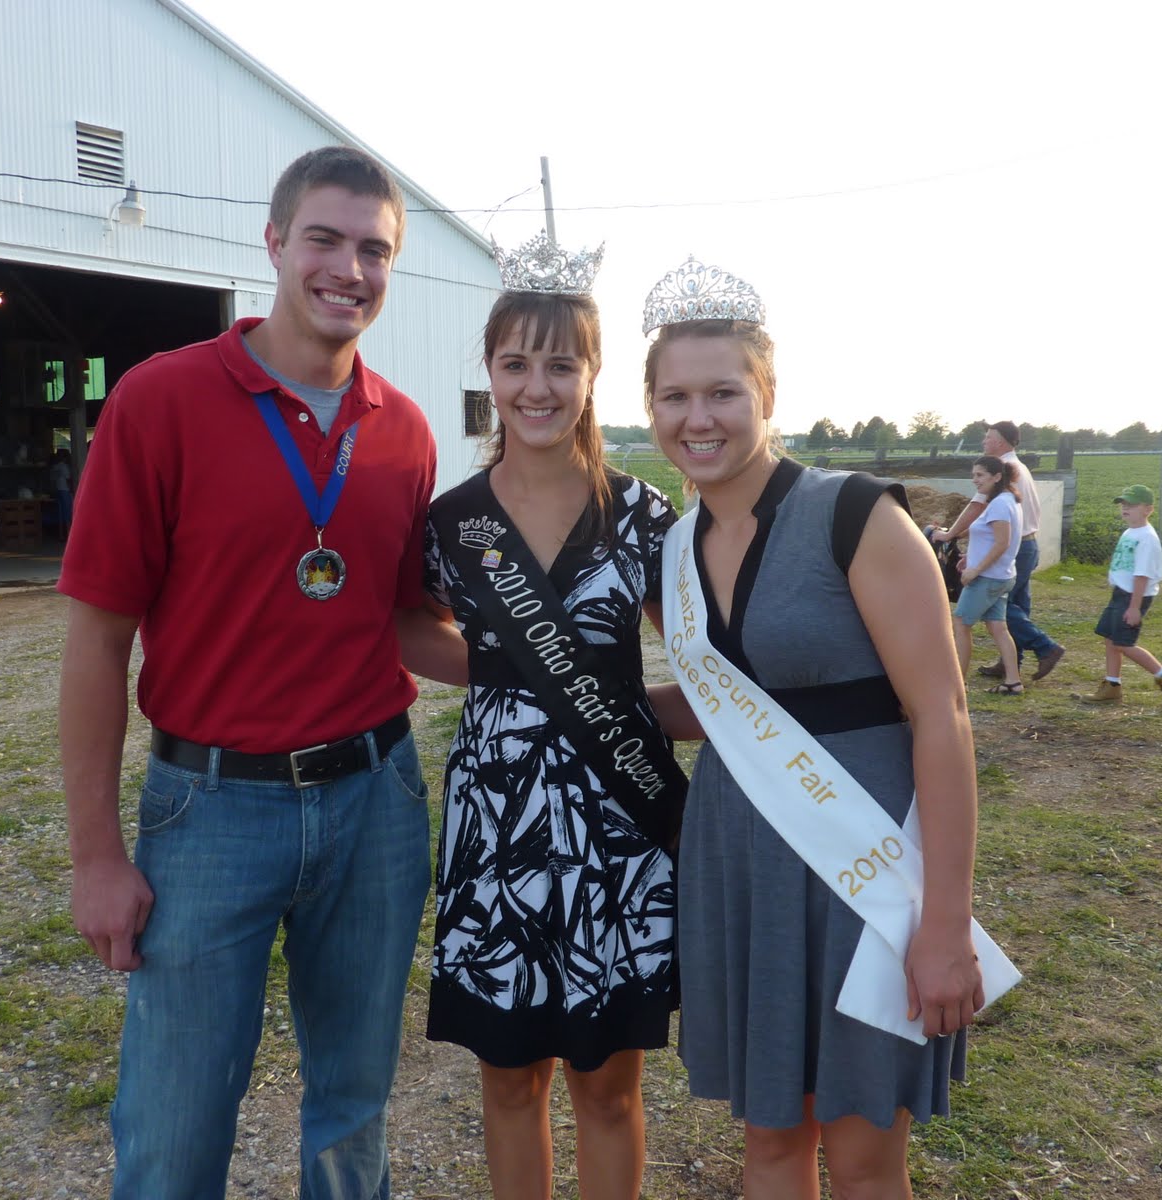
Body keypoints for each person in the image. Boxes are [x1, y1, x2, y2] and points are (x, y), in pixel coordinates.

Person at [57, 145, 463, 1200]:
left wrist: (551, 678)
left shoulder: (404, 429)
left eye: (374, 249)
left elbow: (404, 621)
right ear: (274, 242)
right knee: (175, 1118)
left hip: (376, 802)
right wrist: (97, 856)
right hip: (211, 809)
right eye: (324, 239)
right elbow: (98, 641)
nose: (349, 268)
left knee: (352, 1107)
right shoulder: (162, 400)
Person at [643, 257, 1014, 1199]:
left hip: (862, 868)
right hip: (739, 864)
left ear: (767, 393)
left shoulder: (854, 514)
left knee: (859, 1150)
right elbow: (742, 708)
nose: (700, 418)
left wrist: (944, 925)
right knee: (769, 1142)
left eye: (723, 391)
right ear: (650, 408)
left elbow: (943, 714)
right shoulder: (676, 549)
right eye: (676, 396)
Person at [422, 234, 690, 1200]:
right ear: (490, 371)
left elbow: (712, 668)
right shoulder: (452, 523)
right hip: (499, 823)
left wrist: (631, 711)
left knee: (608, 1086)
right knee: (507, 1079)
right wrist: (513, 683)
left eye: (561, 364)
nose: (538, 386)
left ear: (593, 375)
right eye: (516, 363)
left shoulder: (644, 518)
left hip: (618, 820)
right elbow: (410, 631)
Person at [932, 420, 1065, 681]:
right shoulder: (1020, 467)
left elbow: (975, 508)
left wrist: (950, 534)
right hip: (1027, 543)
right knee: (1015, 606)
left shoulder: (1002, 471)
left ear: (1001, 441)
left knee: (999, 605)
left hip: (1013, 546)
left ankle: (1045, 647)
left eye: (988, 437)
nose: (984, 442)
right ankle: (1011, 663)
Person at [1079, 484, 1162, 708]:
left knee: (1123, 643)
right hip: (1121, 594)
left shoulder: (1147, 538)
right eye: (1123, 505)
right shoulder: (1130, 532)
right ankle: (1112, 686)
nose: (1125, 509)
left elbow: (1142, 575)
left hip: (1132, 598)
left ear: (1148, 509)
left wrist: (1134, 607)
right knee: (1110, 638)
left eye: (1132, 505)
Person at [953, 455, 1024, 696]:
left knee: (961, 624)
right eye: (973, 475)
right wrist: (970, 558)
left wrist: (975, 569)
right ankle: (1013, 682)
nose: (975, 480)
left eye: (980, 475)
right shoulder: (1007, 501)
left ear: (997, 477)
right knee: (998, 628)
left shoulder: (1000, 504)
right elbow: (991, 539)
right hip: (1001, 576)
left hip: (988, 578)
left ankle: (958, 683)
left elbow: (1002, 543)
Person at [49, 447, 73, 538]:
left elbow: (53, 480)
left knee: (61, 514)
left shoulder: (55, 467)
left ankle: (61, 534)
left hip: (58, 490)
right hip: (65, 490)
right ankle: (69, 533)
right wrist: (72, 489)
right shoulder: (64, 466)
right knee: (68, 513)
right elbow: (68, 479)